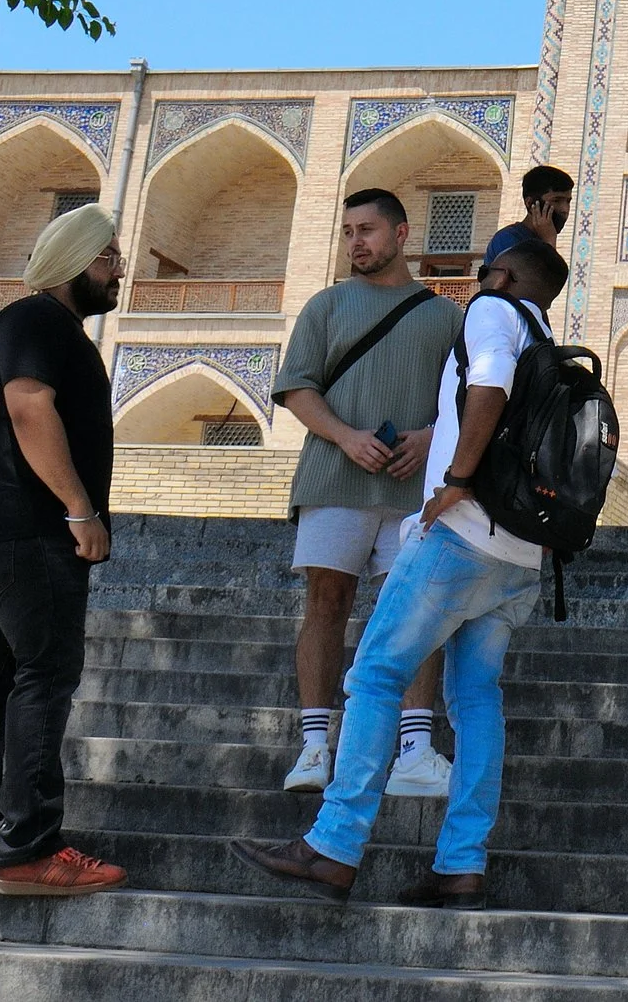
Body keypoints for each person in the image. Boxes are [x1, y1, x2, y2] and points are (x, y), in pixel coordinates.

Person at [235, 239, 569, 910]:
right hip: (520, 555)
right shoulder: (547, 339)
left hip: (463, 536)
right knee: (476, 701)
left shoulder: (492, 312)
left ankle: (334, 845)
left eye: (486, 269)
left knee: (375, 674)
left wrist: (457, 479)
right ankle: (461, 865)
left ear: (501, 274)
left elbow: (489, 385)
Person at [0, 203, 128, 896]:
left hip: (12, 527)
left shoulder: (43, 324)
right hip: (36, 529)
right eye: (109, 257)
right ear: (77, 260)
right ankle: (30, 850)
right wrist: (80, 510)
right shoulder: (38, 318)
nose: (119, 270)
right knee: (44, 675)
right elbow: (28, 406)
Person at [272, 188, 465, 797]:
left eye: (368, 230)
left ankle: (414, 750)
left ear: (401, 235)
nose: (356, 242)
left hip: (414, 492)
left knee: (416, 611)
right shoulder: (326, 306)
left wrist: (431, 438)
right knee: (326, 603)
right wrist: (347, 437)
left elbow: (467, 398)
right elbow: (298, 389)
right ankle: (314, 746)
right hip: (334, 480)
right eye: (348, 232)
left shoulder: (446, 317)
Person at [481, 164, 572, 268]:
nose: (565, 209)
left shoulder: (540, 238)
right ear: (530, 203)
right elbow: (535, 277)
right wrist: (549, 241)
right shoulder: (508, 239)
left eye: (568, 201)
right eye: (556, 200)